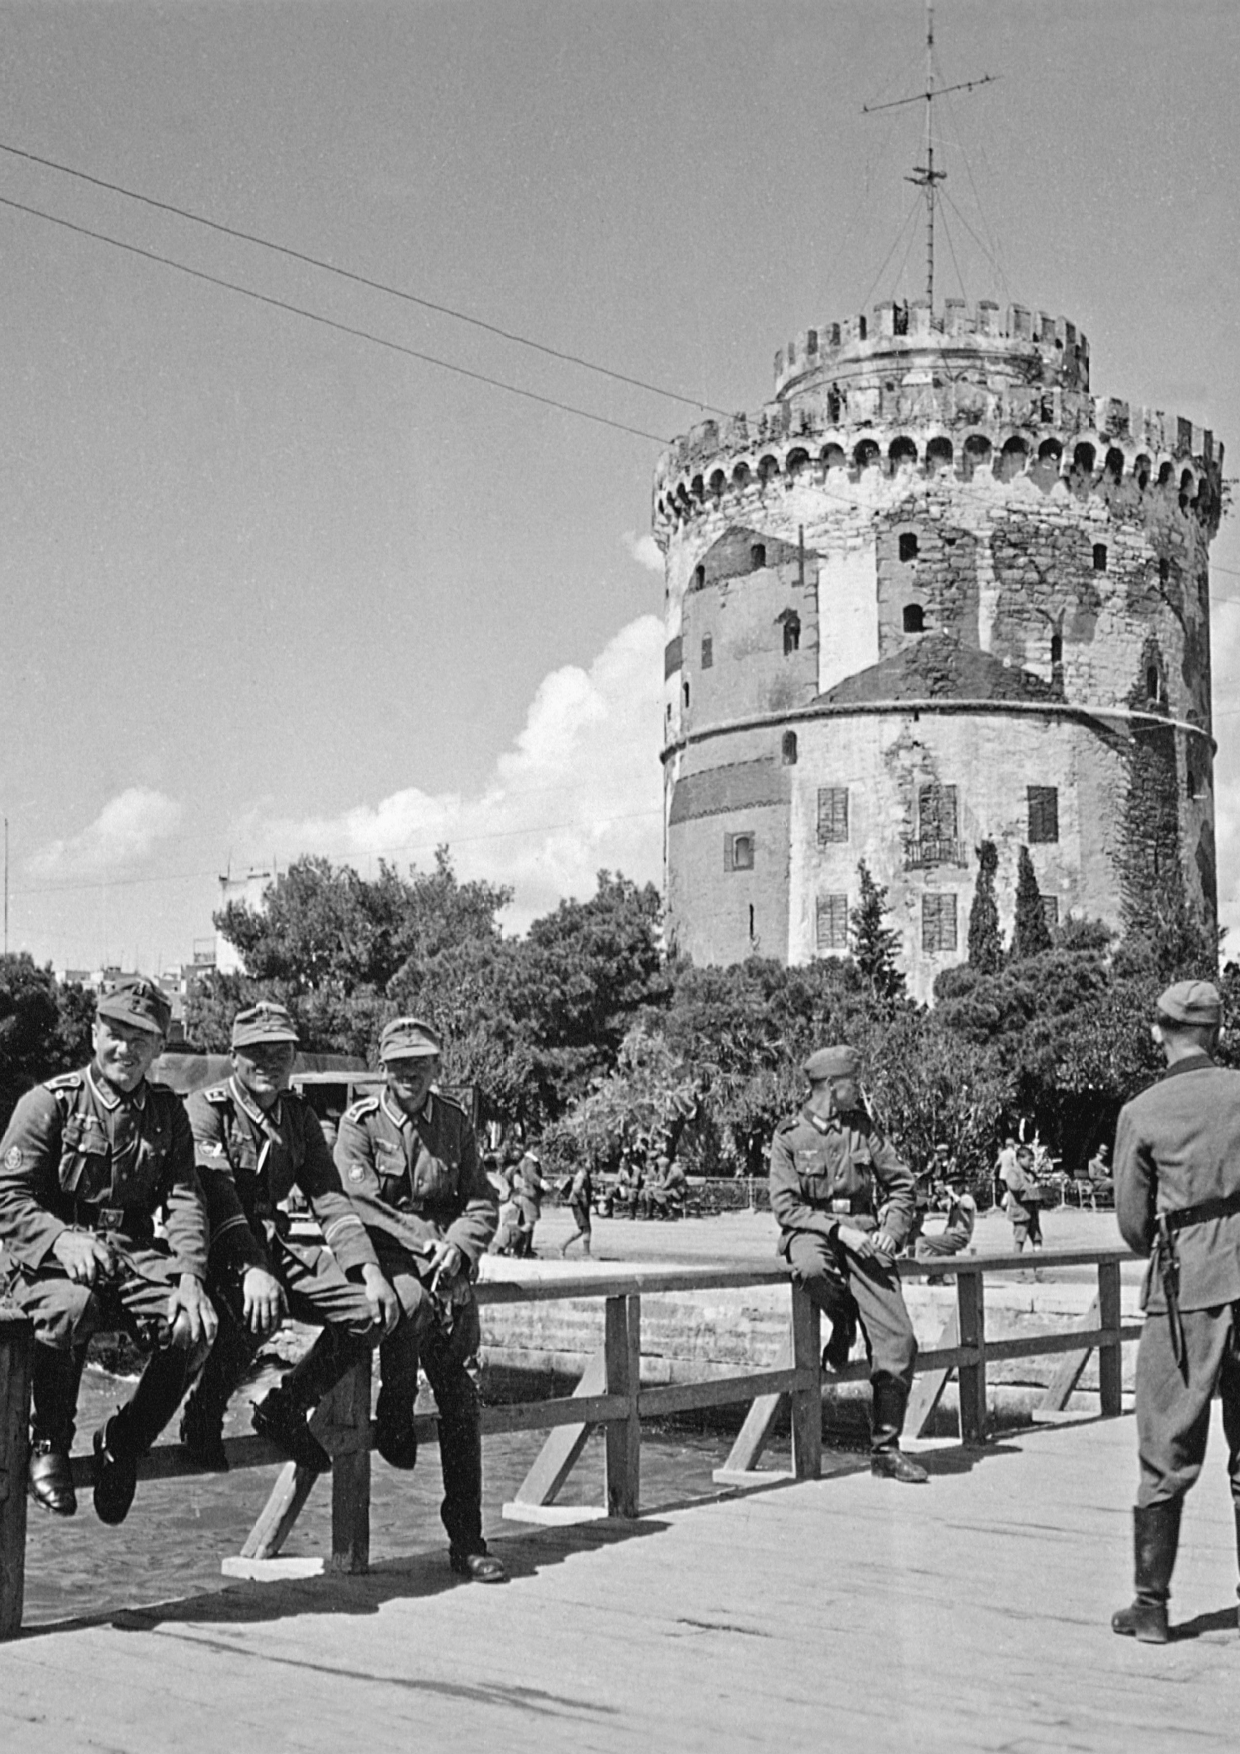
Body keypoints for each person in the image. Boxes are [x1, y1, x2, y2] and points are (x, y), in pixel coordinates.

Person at [0, 976, 217, 1524]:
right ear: (94, 1032)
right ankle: (48, 1440)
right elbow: (7, 1196)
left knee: (194, 1326)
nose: (126, 1049)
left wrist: (190, 1275)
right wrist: (58, 1237)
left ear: (159, 1048)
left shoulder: (168, 1114)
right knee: (73, 1307)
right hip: (47, 1256)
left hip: (132, 1255)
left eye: (141, 1039)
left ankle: (125, 1441)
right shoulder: (49, 1103)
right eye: (116, 1033)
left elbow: (185, 1199)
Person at [178, 1001, 402, 1473]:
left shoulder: (298, 1118)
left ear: (294, 1058)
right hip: (221, 1245)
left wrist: (371, 1271)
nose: (269, 1063)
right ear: (234, 1056)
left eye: (280, 1052)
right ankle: (204, 1411)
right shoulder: (206, 1109)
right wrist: (253, 1269)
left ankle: (284, 1404)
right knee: (255, 1310)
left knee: (368, 1314)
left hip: (273, 1245)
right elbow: (215, 1196)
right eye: (256, 1052)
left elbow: (330, 1200)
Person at [335, 1016, 507, 1583]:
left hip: (449, 1272)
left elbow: (482, 1200)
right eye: (400, 1064)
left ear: (437, 1067)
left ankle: (468, 1541)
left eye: (421, 1063)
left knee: (461, 1402)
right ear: (383, 1069)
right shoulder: (359, 1123)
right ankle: (397, 1406)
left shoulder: (454, 1123)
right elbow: (359, 1202)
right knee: (406, 1306)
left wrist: (458, 1246)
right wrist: (424, 1241)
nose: (411, 1074)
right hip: (391, 1262)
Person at [1111, 979, 1240, 1644]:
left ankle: (1152, 1606)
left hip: (1186, 1288)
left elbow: (1134, 1225)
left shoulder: (1144, 1109)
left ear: (1159, 1031)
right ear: (1218, 1033)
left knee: (1166, 1447)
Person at [769, 1044, 926, 1484]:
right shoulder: (789, 1136)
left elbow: (901, 1186)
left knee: (900, 1340)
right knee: (812, 1270)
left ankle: (886, 1450)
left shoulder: (863, 1131)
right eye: (854, 1083)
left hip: (865, 1231)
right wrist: (838, 1232)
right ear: (832, 1087)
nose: (860, 1091)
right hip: (812, 1232)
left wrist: (890, 1233)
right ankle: (843, 1322)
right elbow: (785, 1207)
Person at [914, 1166, 977, 1282]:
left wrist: (951, 1193)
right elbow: (934, 1209)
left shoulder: (967, 1198)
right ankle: (939, 1275)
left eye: (955, 1185)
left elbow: (965, 1205)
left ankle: (926, 1271)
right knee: (929, 1242)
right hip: (950, 1236)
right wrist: (936, 1196)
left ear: (961, 1186)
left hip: (960, 1236)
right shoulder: (951, 1201)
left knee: (922, 1242)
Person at [1003, 1143, 1044, 1252]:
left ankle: (1037, 1266)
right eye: (1029, 1160)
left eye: (1032, 1160)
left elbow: (1037, 1187)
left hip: (1033, 1212)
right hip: (1020, 1213)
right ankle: (1017, 1265)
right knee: (1020, 1240)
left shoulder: (1031, 1174)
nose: (1031, 1163)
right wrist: (1032, 1188)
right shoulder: (1013, 1172)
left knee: (1037, 1239)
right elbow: (1016, 1187)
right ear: (1019, 1159)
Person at [512, 1149, 549, 1257]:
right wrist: (543, 1183)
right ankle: (515, 1248)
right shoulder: (530, 1162)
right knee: (529, 1224)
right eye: (538, 1147)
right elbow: (532, 1176)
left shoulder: (526, 1161)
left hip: (528, 1193)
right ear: (533, 1147)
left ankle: (526, 1250)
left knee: (529, 1224)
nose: (540, 1150)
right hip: (530, 1194)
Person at [561, 1162, 594, 1257]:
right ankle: (585, 1254)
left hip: (582, 1204)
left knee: (583, 1229)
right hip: (578, 1203)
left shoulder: (586, 1174)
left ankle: (563, 1246)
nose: (591, 1165)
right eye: (589, 1162)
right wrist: (583, 1199)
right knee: (585, 1228)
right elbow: (576, 1189)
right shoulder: (581, 1175)